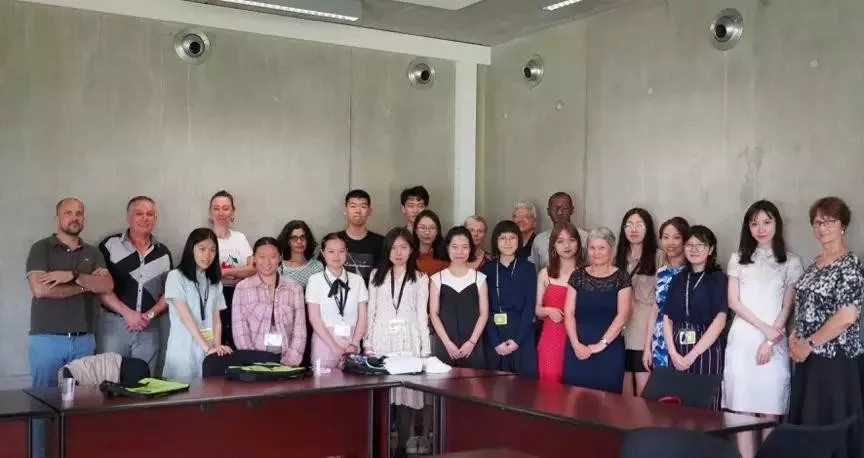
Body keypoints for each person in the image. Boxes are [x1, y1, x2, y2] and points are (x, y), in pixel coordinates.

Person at [723, 200, 802, 458]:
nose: (761, 228)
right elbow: (734, 302)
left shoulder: (791, 261)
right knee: (742, 410)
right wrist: (763, 329)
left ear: (777, 224)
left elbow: (787, 307)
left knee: (771, 409)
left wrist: (769, 340)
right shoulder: (737, 259)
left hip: (775, 340)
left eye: (767, 222)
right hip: (743, 340)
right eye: (754, 223)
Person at [788, 197, 864, 458]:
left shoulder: (849, 265)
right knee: (807, 426)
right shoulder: (814, 264)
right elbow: (804, 307)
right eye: (817, 222)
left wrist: (809, 344)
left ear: (843, 226)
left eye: (830, 221)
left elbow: (847, 316)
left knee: (830, 428)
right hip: (807, 358)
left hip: (835, 361)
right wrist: (794, 336)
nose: (822, 227)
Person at [26, 198, 113, 388]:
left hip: (85, 340)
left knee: (83, 399)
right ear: (57, 218)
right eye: (68, 213)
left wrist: (72, 275)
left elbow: (107, 285)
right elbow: (40, 290)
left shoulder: (93, 252)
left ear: (84, 219)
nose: (74, 218)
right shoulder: (41, 248)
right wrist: (85, 286)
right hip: (47, 340)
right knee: (44, 399)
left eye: (79, 213)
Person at [365, 228, 430, 458]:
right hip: (381, 340)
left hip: (408, 340)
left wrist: (425, 350)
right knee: (383, 394)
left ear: (411, 249)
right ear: (387, 250)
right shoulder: (376, 275)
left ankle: (402, 447)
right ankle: (379, 448)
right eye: (394, 247)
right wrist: (367, 343)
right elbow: (371, 311)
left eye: (403, 247)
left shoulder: (420, 278)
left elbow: (422, 315)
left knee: (405, 395)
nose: (398, 252)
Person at [97, 196, 172, 374]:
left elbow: (169, 293)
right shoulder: (110, 246)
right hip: (114, 326)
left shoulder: (163, 253)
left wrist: (148, 316)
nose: (145, 218)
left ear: (155, 219)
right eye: (139, 213)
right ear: (128, 218)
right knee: (109, 379)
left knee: (145, 381)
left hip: (149, 328)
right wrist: (127, 313)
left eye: (150, 214)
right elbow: (100, 287)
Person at [662, 225, 728, 410]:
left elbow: (720, 321)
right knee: (678, 404)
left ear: (711, 249)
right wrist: (672, 352)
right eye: (690, 245)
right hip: (677, 348)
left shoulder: (718, 279)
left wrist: (693, 355)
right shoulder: (678, 279)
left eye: (700, 245)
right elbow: (667, 318)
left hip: (706, 349)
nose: (694, 249)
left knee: (705, 405)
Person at [562, 227, 631, 393]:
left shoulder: (621, 277)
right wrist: (576, 344)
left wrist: (601, 345)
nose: (596, 252)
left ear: (611, 249)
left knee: (607, 401)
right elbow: (569, 312)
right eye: (592, 248)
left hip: (609, 348)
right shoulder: (577, 276)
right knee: (573, 399)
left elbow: (623, 315)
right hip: (577, 346)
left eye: (601, 248)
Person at [163, 228, 233, 380]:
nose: (207, 255)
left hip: (209, 350)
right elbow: (185, 316)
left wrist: (216, 349)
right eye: (202, 249)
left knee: (208, 390)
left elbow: (216, 319)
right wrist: (206, 348)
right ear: (191, 249)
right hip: (184, 348)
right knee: (182, 391)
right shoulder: (176, 277)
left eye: (212, 250)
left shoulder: (214, 282)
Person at [232, 237, 306, 367]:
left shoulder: (294, 288)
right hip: (253, 362)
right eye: (262, 257)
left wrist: (290, 362)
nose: (267, 262)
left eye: (272, 257)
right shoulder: (242, 288)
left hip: (287, 362)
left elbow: (300, 329)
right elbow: (239, 329)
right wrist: (253, 361)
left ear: (280, 258)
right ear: (254, 258)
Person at [615, 208, 662, 396]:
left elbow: (661, 297)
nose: (633, 229)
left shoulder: (658, 256)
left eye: (639, 225)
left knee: (643, 387)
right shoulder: (617, 257)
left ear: (648, 228)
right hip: (619, 328)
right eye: (629, 225)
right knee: (622, 384)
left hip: (644, 328)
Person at [481, 221, 537, 377]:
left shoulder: (528, 268)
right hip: (494, 335)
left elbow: (529, 307)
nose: (507, 242)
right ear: (496, 241)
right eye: (503, 238)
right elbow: (484, 308)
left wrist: (517, 341)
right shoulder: (487, 269)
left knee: (525, 386)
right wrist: (496, 341)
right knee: (494, 385)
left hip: (522, 334)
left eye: (512, 238)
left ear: (519, 240)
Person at [306, 233, 369, 369]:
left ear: (347, 252)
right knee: (324, 380)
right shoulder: (315, 280)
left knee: (352, 380)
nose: (336, 256)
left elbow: (363, 316)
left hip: (352, 343)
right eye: (331, 251)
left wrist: (355, 343)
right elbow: (314, 317)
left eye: (341, 251)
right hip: (324, 342)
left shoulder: (357, 280)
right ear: (323, 253)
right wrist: (334, 346)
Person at [430, 226, 489, 369]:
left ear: (470, 249)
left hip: (473, 346)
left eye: (464, 247)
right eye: (455, 247)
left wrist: (472, 342)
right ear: (447, 248)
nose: (460, 252)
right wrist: (447, 343)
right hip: (445, 346)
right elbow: (434, 314)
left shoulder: (479, 278)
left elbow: (484, 313)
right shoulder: (437, 278)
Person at [536, 222, 581, 382]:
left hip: (579, 337)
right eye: (560, 241)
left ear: (578, 243)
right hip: (552, 336)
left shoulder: (586, 273)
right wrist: (548, 311)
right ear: (553, 246)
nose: (567, 246)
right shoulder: (545, 274)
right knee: (550, 387)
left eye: (571, 240)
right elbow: (537, 309)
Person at [209, 190, 254, 349]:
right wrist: (238, 273)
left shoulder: (240, 238)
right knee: (216, 343)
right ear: (210, 212)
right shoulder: (204, 237)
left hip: (239, 297)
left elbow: (253, 268)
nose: (221, 213)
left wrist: (226, 272)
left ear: (233, 212)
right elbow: (203, 272)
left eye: (226, 208)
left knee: (237, 342)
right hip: (212, 297)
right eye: (216, 208)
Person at [643, 217, 690, 371]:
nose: (670, 242)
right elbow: (655, 310)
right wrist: (647, 347)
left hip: (685, 338)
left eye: (676, 237)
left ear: (685, 240)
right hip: (660, 341)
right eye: (666, 237)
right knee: (662, 384)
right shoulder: (661, 272)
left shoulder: (692, 271)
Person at [530, 192, 588, 271]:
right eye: (555, 208)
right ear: (548, 211)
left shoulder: (585, 237)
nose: (559, 212)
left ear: (572, 210)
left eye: (565, 208)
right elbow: (535, 271)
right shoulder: (539, 240)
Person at [339, 189, 385, 284]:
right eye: (353, 206)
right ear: (345, 210)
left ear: (370, 211)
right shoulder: (334, 241)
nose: (358, 211)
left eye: (363, 206)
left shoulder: (381, 242)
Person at [276, 220, 324, 288]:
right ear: (288, 241)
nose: (299, 241)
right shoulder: (279, 268)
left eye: (302, 237)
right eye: (294, 238)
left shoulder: (317, 267)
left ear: (307, 239)